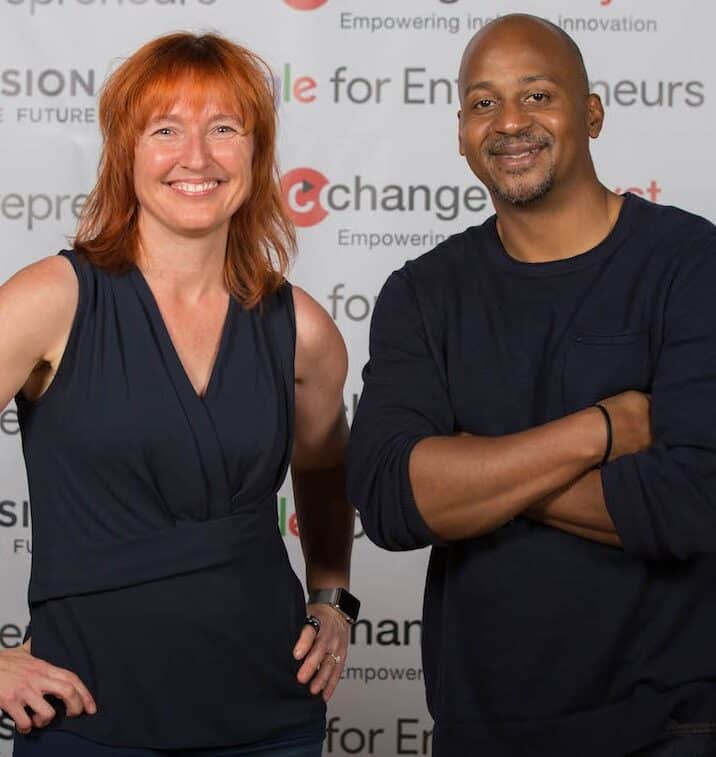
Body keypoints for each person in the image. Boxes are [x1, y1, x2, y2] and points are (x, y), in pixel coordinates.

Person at [347, 13, 716, 757]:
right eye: (483, 103)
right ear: (460, 134)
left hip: (672, 725)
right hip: (483, 728)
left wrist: (471, 467)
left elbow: (691, 502)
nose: (510, 122)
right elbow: (390, 496)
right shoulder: (422, 294)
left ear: (592, 112)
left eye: (537, 95)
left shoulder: (692, 264)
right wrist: (601, 430)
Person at [0, 31, 359, 756]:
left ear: (255, 156)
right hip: (88, 720)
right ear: (125, 153)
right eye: (166, 130)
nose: (197, 157)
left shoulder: (304, 329)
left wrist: (332, 595)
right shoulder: (51, 300)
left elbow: (323, 470)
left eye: (224, 128)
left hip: (272, 721)